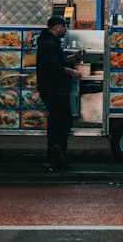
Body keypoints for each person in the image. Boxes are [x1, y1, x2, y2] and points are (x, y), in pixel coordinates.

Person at [36, 15, 85, 170]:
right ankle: (55, 153)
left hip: (56, 89)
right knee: (60, 122)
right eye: (64, 27)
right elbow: (53, 66)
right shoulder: (48, 44)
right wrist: (72, 72)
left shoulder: (50, 42)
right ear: (57, 27)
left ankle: (57, 152)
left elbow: (58, 60)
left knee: (60, 121)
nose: (65, 30)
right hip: (54, 89)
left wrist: (73, 57)